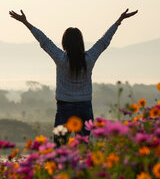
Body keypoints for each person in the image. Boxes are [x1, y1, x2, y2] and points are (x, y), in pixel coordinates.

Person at [9, 8, 138, 145]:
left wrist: (25, 22)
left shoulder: (61, 58)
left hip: (65, 108)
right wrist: (119, 21)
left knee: (60, 149)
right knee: (82, 150)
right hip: (85, 107)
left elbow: (44, 41)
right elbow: (104, 41)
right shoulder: (89, 58)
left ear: (64, 42)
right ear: (81, 42)